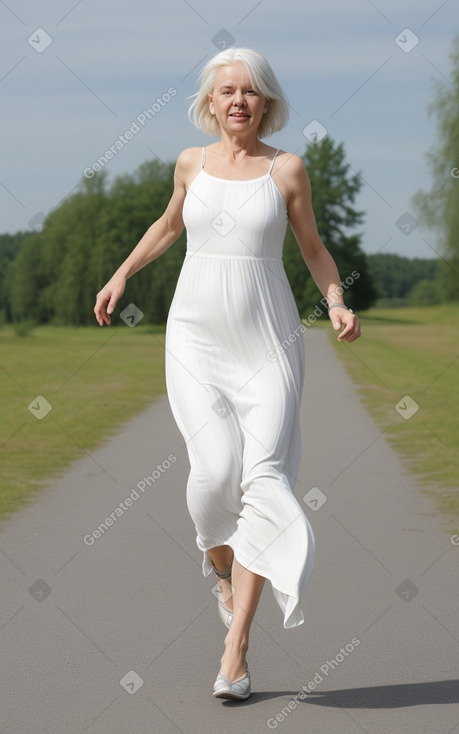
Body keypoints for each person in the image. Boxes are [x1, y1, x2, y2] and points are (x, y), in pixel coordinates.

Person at [94, 47, 361, 701]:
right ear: (210, 103)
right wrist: (125, 271)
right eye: (225, 91)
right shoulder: (191, 163)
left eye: (248, 91)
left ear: (264, 101)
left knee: (264, 481)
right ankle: (219, 567)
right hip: (196, 342)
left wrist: (334, 302)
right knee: (212, 477)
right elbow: (167, 225)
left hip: (269, 345)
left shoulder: (286, 169)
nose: (237, 100)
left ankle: (235, 647)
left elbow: (313, 249)